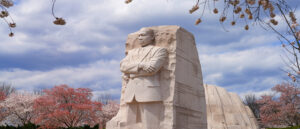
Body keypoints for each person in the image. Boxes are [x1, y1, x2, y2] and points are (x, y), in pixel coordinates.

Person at [120, 28, 168, 129]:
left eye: (143, 35)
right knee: (129, 125)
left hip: (149, 91)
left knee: (150, 125)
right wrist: (141, 65)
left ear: (152, 37)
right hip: (131, 92)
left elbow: (152, 69)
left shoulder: (159, 50)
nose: (140, 38)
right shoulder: (132, 52)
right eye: (139, 36)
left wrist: (131, 71)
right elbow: (123, 67)